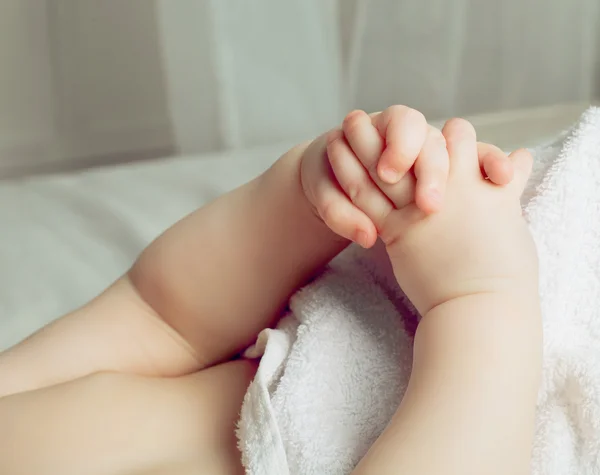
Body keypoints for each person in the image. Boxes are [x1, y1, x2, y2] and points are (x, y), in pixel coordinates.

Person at [0, 106, 541, 475]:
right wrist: (482, 301)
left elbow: (159, 317)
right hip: (495, 374)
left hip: (434, 256)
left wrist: (313, 200)